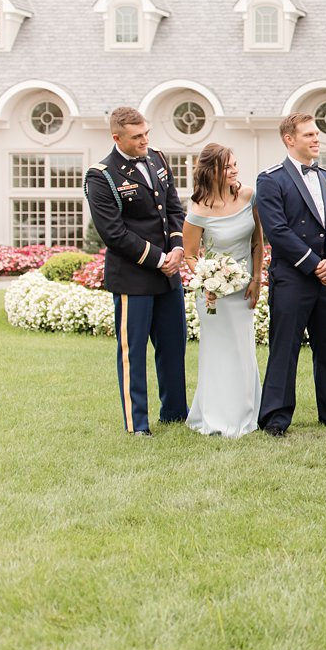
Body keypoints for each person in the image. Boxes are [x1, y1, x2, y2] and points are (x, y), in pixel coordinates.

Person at [83, 106, 188, 436]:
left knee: (174, 346)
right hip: (134, 278)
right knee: (134, 353)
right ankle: (137, 423)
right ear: (117, 138)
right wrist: (160, 258)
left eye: (146, 133)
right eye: (137, 136)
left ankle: (175, 414)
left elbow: (173, 208)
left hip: (168, 272)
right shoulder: (101, 176)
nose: (145, 140)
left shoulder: (157, 157)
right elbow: (113, 234)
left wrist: (177, 247)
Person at [255, 113, 326, 436]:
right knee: (285, 348)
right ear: (289, 139)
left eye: (317, 134)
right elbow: (277, 231)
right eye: (308, 134)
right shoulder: (271, 179)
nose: (316, 139)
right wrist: (314, 264)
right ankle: (276, 417)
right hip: (293, 278)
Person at [183, 143, 264, 438]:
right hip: (213, 295)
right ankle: (217, 414)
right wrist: (207, 279)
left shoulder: (248, 196)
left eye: (235, 164)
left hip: (243, 291)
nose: (234, 170)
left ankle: (247, 410)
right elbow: (190, 254)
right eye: (227, 166)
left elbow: (257, 242)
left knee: (242, 349)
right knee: (218, 352)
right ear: (212, 172)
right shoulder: (198, 210)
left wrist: (256, 279)